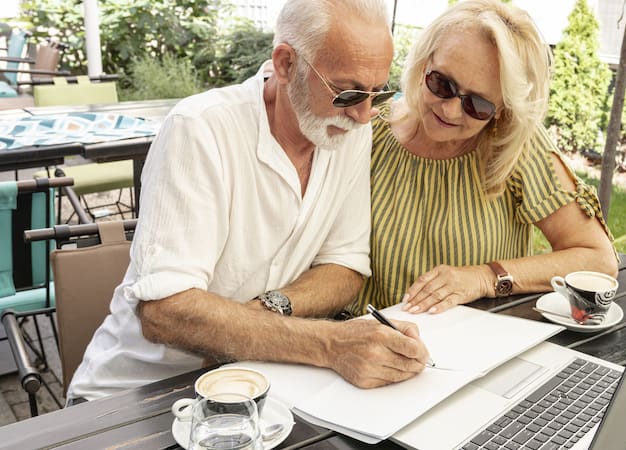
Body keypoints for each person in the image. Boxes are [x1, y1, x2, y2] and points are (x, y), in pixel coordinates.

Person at [68, 0, 429, 402]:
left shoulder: (347, 130)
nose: (363, 115)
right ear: (286, 64)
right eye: (347, 93)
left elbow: (345, 267)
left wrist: (259, 317)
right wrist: (330, 345)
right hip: (138, 395)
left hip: (258, 384)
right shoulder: (201, 129)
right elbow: (164, 312)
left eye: (377, 93)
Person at [351, 0, 618, 315]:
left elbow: (598, 259)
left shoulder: (514, 143)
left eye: (477, 104)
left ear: (502, 109)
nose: (449, 109)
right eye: (442, 84)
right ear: (424, 63)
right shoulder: (368, 129)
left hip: (477, 346)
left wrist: (485, 276)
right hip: (367, 339)